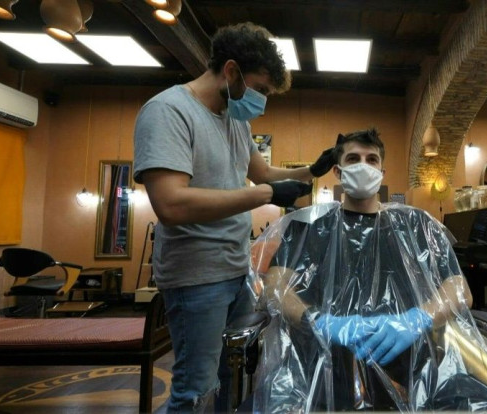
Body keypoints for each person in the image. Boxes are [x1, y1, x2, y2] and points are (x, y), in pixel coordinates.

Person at [133, 22, 337, 412]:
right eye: (259, 89)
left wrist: (309, 171)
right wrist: (265, 195)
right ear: (230, 71)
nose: (261, 100)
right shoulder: (168, 112)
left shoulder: (235, 120)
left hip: (235, 271)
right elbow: (171, 204)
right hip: (196, 276)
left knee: (234, 376)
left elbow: (263, 174)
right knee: (197, 389)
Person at [250, 128, 487, 412]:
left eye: (372, 160)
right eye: (353, 159)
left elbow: (459, 291)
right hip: (325, 362)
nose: (364, 166)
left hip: (413, 363)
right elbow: (275, 289)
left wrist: (417, 319)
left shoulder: (417, 225)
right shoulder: (309, 227)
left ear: (382, 170)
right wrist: (320, 322)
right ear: (337, 171)